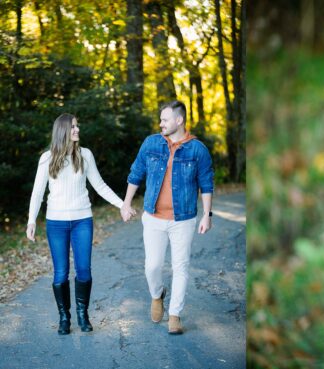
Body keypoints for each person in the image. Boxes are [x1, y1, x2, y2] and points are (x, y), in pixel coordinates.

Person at [27, 113, 130, 335]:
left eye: (77, 126)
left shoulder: (85, 155)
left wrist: (122, 205)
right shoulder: (46, 158)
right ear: (63, 130)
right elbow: (37, 193)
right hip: (56, 223)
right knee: (60, 273)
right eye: (73, 126)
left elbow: (100, 186)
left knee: (84, 271)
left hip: (82, 220)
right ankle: (65, 317)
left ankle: (83, 314)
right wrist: (31, 220)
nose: (77, 129)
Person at [121, 100, 214, 335]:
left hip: (183, 219)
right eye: (161, 119)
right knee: (152, 266)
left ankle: (175, 315)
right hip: (153, 217)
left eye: (165, 119)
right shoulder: (151, 143)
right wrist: (126, 203)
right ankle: (157, 294)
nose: (160, 123)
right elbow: (136, 172)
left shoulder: (197, 150)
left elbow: (206, 184)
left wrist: (207, 215)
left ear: (179, 120)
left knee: (180, 267)